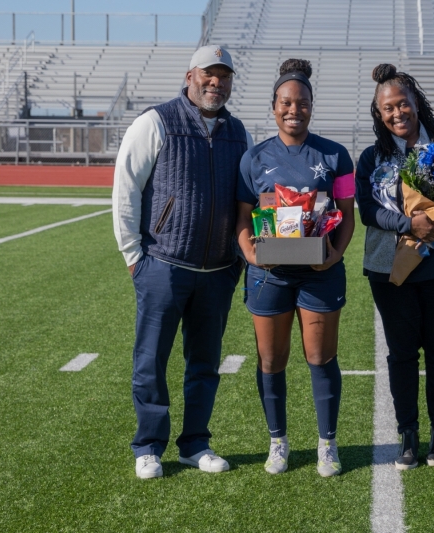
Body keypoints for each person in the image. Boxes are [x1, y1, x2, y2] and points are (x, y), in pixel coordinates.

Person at [112, 45, 253, 479]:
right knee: (151, 360)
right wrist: (135, 256)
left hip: (217, 271)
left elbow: (245, 199)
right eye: (208, 74)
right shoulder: (155, 121)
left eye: (224, 76)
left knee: (204, 363)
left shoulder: (238, 131)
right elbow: (126, 189)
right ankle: (149, 446)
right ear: (190, 75)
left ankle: (195, 443)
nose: (216, 83)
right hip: (163, 265)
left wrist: (236, 261)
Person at [235, 59, 356, 477]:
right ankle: (278, 441)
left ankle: (327, 443)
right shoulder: (254, 158)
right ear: (273, 106)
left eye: (301, 103)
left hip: (319, 273)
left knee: (321, 357)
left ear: (311, 106)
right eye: (286, 103)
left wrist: (334, 256)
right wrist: (252, 254)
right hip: (269, 274)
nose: (294, 110)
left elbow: (347, 215)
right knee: (271, 360)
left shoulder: (336, 156)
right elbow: (243, 220)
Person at [355, 64, 434, 470]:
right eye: (387, 108)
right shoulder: (372, 156)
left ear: (416, 103)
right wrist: (410, 224)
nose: (396, 113)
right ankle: (408, 432)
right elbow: (368, 212)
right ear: (379, 113)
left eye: (402, 104)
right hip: (391, 270)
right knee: (402, 353)